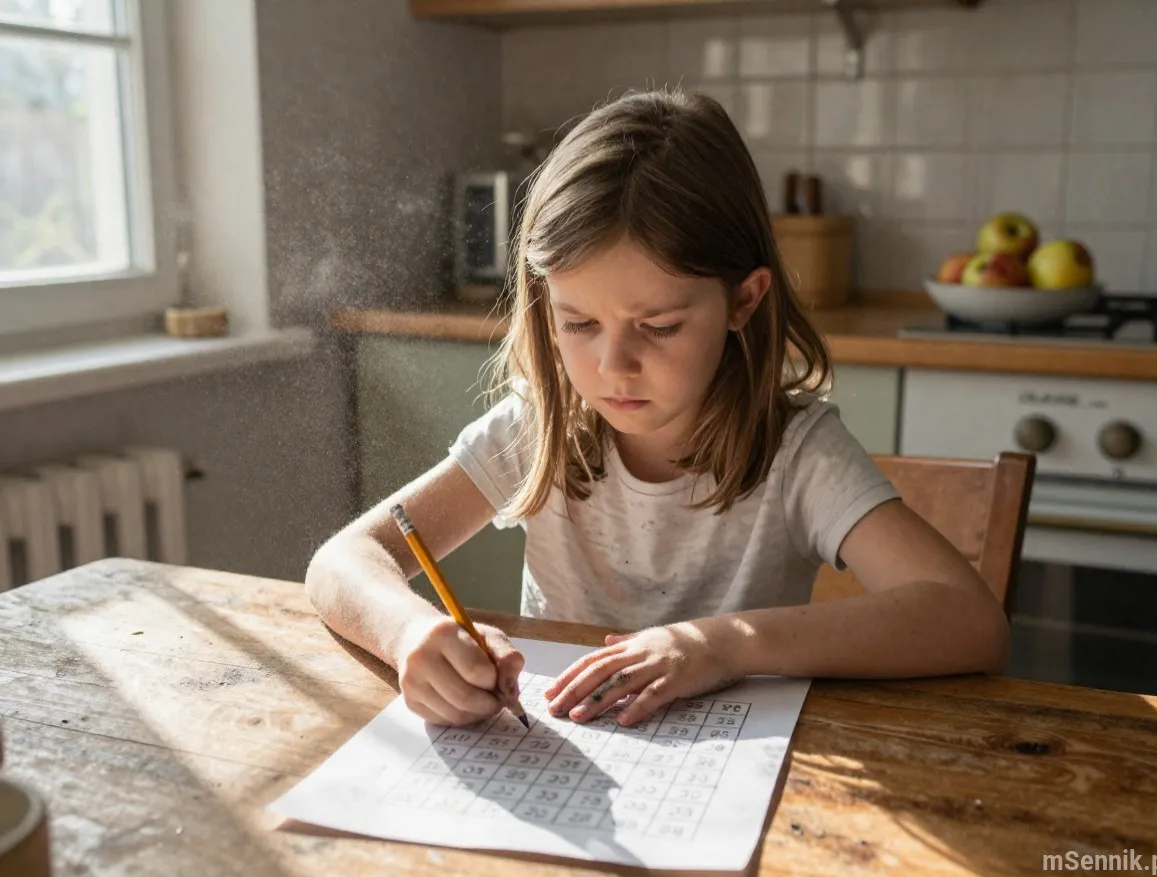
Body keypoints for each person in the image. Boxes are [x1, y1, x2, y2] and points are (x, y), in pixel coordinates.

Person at [305, 88, 1009, 730]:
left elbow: (969, 620)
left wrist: (724, 644)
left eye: (661, 326)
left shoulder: (797, 452)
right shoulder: (539, 426)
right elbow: (344, 560)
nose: (613, 366)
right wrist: (408, 634)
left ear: (745, 300)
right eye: (579, 324)